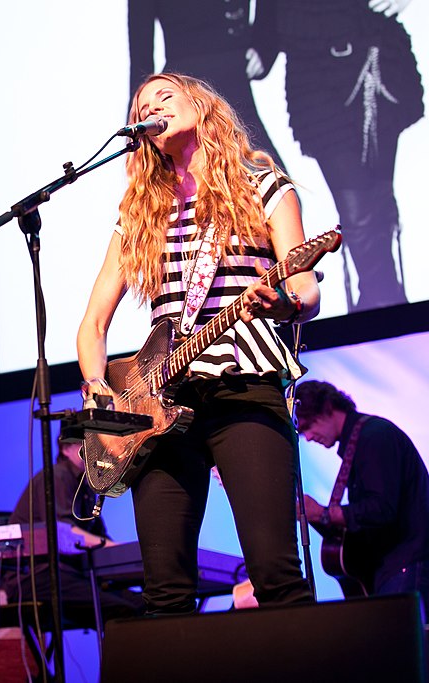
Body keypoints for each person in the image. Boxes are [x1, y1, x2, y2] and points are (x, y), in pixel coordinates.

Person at [77, 72, 320, 615]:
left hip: (243, 387)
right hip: (158, 408)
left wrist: (283, 303)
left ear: (201, 105)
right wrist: (100, 395)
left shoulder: (264, 187)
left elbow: (303, 282)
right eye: (142, 104)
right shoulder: (140, 216)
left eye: (165, 95)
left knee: (275, 573)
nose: (152, 105)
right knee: (164, 592)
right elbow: (93, 323)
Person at [262, 0, 424, 311]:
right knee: (358, 204)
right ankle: (382, 300)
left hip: (373, 51)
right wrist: (261, 45)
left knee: (378, 195)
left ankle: (381, 300)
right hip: (316, 73)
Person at [295, 379, 429, 614]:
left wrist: (324, 512)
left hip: (406, 563)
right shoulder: (362, 439)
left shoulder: (375, 437)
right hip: (392, 568)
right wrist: (316, 516)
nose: (307, 436)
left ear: (328, 407)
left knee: (398, 647)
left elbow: (381, 509)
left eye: (309, 425)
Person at [127, 0, 287, 172]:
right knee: (172, 183)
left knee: (270, 179)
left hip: (232, 73)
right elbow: (140, 50)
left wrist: (265, 43)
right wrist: (136, 128)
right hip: (184, 81)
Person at [4, 433, 146, 619]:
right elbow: (65, 533)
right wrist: (122, 550)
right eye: (85, 445)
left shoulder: (86, 487)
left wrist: (128, 555)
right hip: (38, 577)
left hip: (72, 575)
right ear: (65, 449)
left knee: (142, 605)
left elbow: (99, 537)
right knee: (122, 611)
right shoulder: (58, 476)